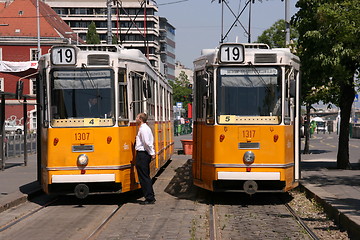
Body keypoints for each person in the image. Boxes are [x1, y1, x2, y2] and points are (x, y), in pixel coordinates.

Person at [135, 113, 156, 204]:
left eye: (137, 117)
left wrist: (152, 153)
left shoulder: (143, 129)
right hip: (144, 154)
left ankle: (149, 198)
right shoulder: (145, 128)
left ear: (140, 119)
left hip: (142, 154)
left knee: (144, 177)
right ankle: (150, 196)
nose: (135, 118)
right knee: (145, 176)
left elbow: (147, 143)